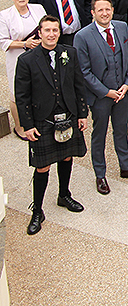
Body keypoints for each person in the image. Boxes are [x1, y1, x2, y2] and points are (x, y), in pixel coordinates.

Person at [15, 15, 88, 235]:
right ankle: (37, 210)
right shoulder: (27, 60)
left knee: (67, 157)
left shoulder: (70, 53)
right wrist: (27, 125)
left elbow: (78, 85)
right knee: (42, 166)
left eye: (55, 30)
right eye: (47, 30)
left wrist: (82, 114)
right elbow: (22, 96)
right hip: (42, 120)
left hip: (68, 114)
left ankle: (63, 195)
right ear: (39, 32)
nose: (51, 34)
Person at [75, 0, 128, 195]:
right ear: (93, 12)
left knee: (121, 131)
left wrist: (126, 85)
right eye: (100, 10)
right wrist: (105, 91)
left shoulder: (122, 27)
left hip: (122, 93)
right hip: (100, 96)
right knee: (99, 135)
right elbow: (84, 71)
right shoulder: (82, 36)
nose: (104, 13)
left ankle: (126, 167)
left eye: (107, 9)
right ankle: (100, 174)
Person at [0, 0, 46, 140]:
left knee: (39, 85)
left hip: (38, 54)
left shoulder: (38, 8)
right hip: (17, 57)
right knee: (17, 91)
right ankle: (20, 127)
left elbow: (46, 26)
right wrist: (25, 44)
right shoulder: (5, 15)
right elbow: (3, 42)